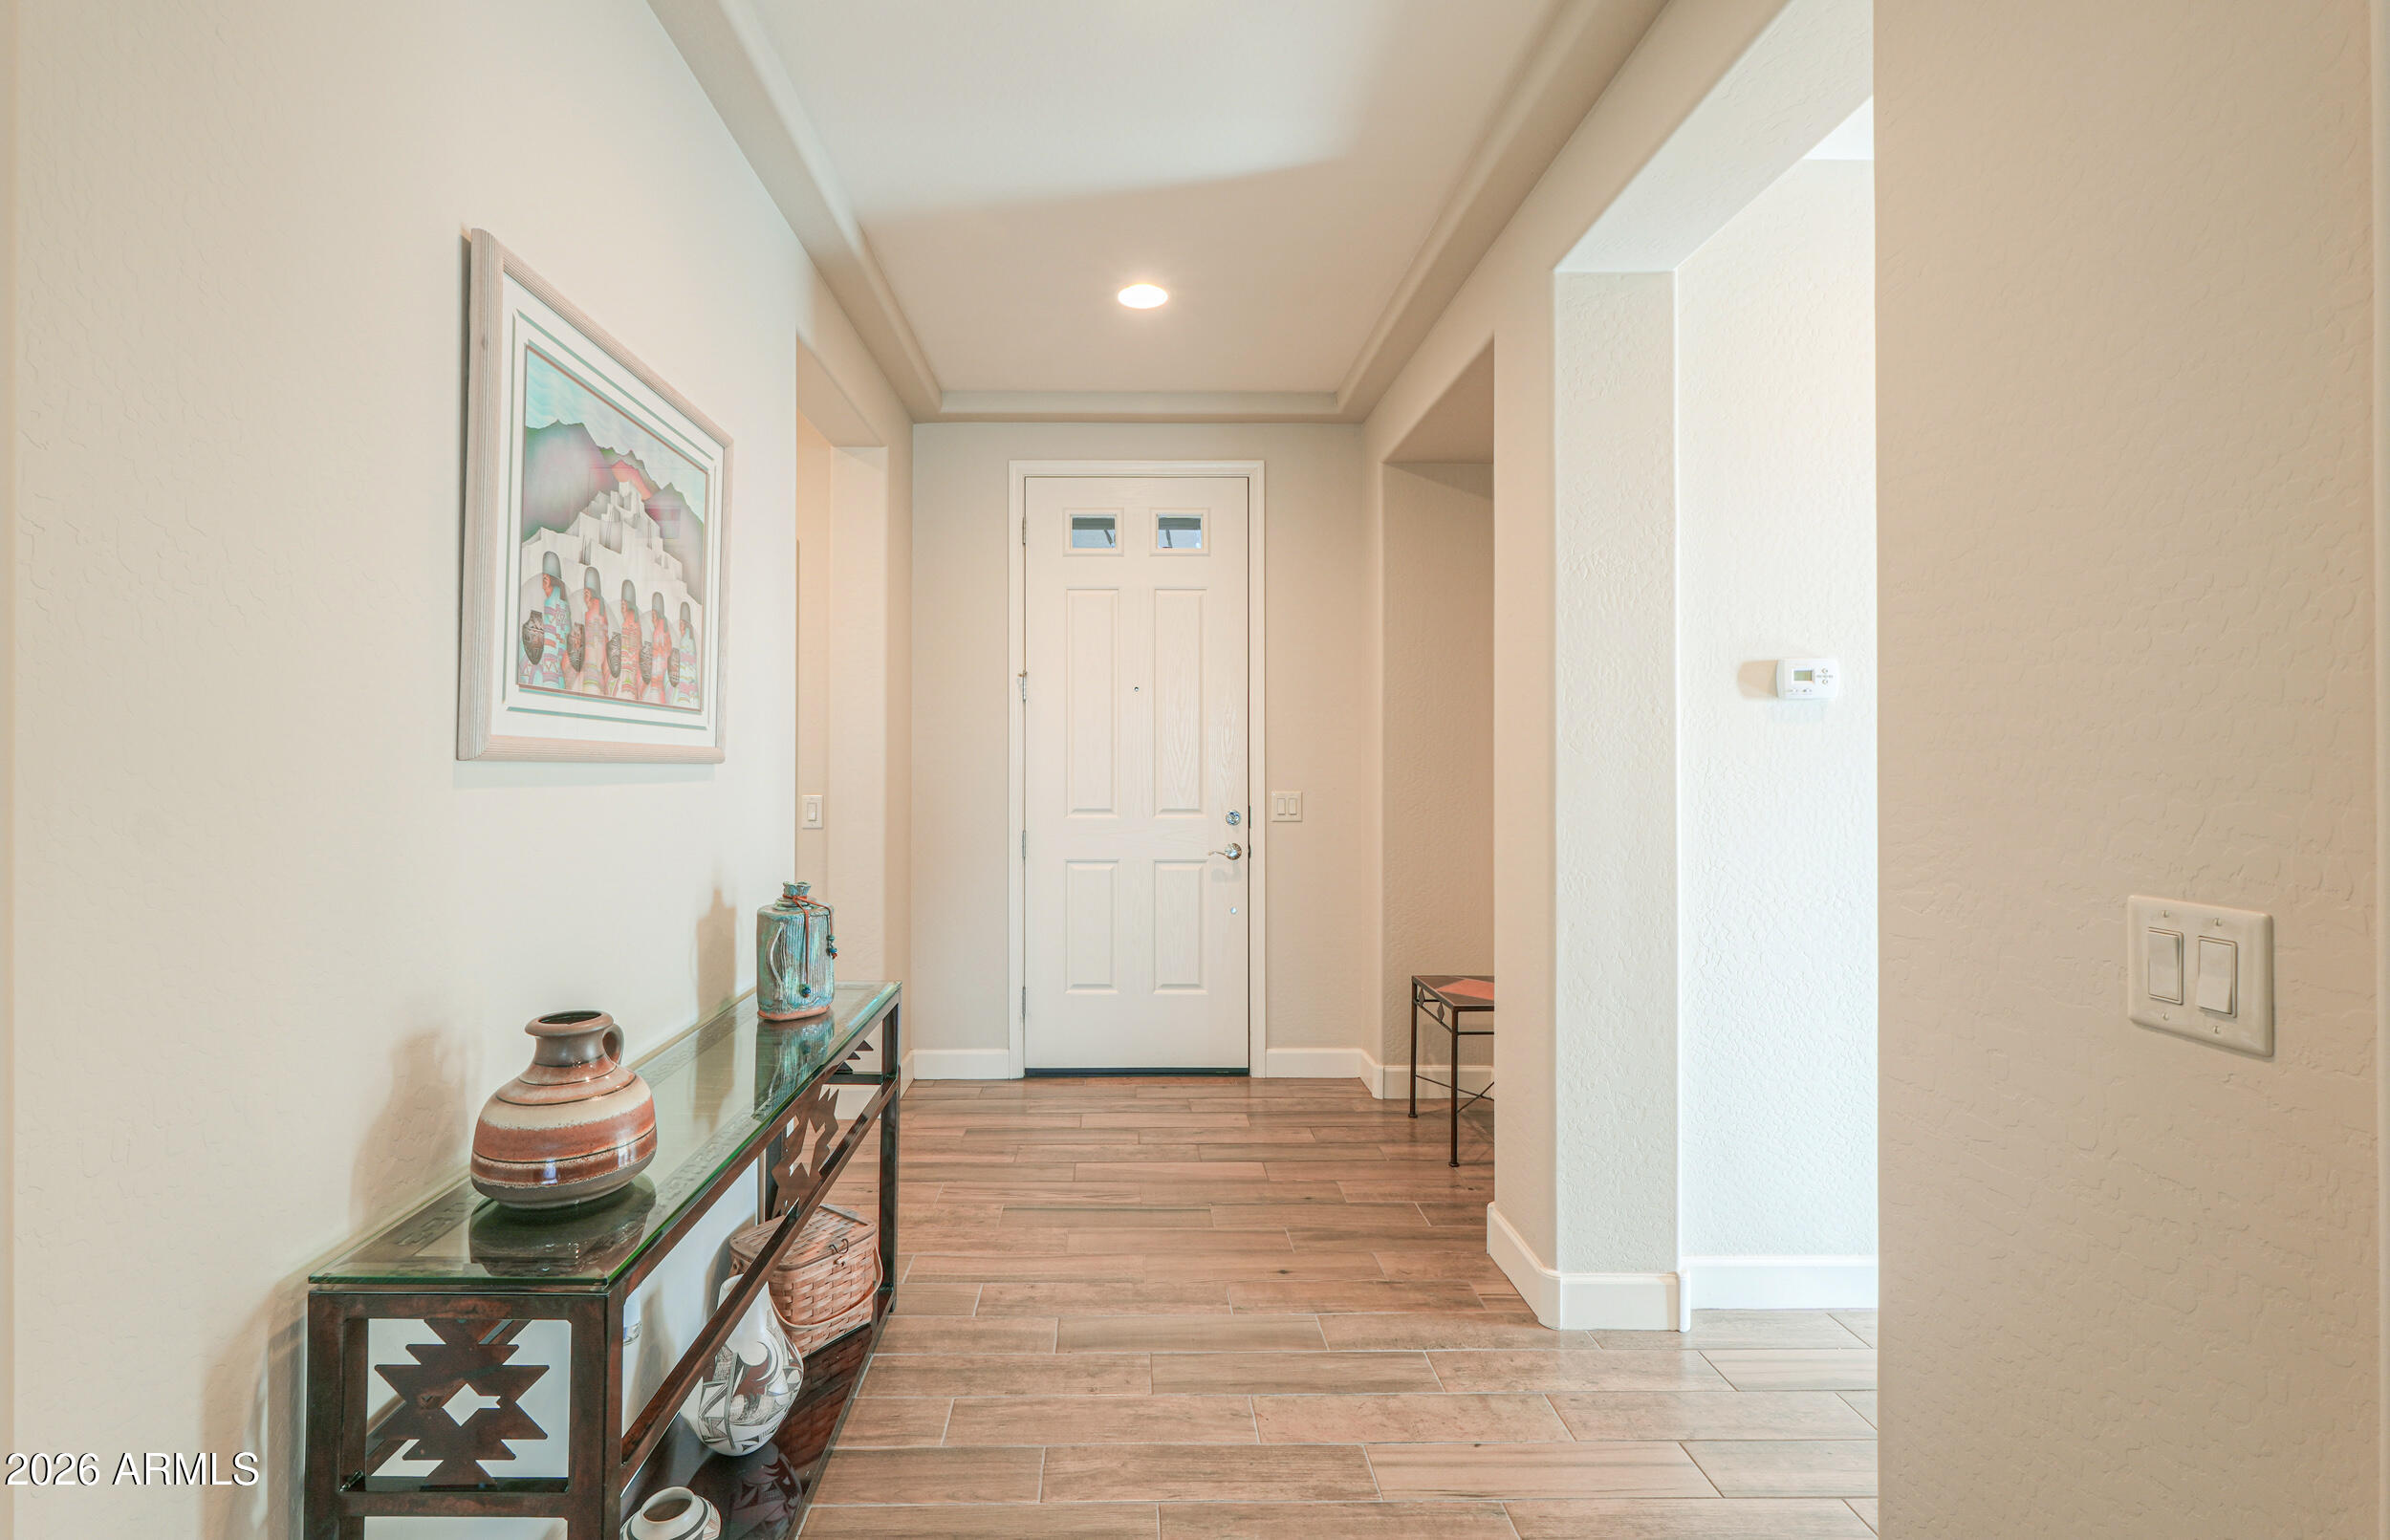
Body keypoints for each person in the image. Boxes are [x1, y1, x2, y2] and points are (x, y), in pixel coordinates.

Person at [519, 551, 569, 692]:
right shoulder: (563, 607)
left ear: (546, 580)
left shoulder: (553, 604)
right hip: (558, 679)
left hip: (547, 678)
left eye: (543, 579)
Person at [576, 567, 612, 696]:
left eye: (586, 594)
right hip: (598, 675)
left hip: (590, 675)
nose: (585, 599)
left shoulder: (592, 614)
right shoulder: (602, 614)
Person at [616, 578, 646, 702]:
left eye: (624, 604)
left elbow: (632, 649)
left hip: (628, 672)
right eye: (621, 604)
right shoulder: (632, 621)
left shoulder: (631, 621)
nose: (622, 608)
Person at [643, 593, 672, 705]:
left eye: (653, 616)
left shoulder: (658, 632)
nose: (652, 619)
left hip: (657, 683)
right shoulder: (665, 630)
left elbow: (658, 661)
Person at [673, 600, 702, 710]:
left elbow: (685, 663)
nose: (679, 628)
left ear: (685, 625)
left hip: (686, 681)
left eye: (681, 625)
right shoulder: (690, 639)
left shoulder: (686, 640)